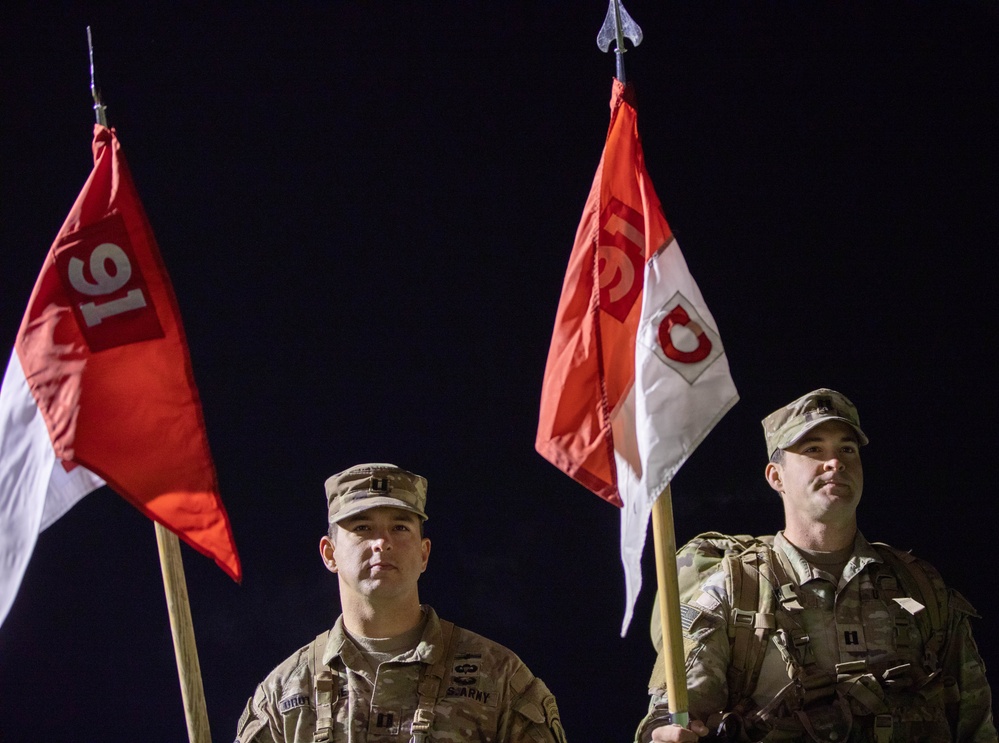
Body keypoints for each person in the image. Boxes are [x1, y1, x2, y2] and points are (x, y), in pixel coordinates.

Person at [636, 389, 997, 742]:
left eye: (847, 450)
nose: (835, 462)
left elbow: (975, 723)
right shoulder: (736, 590)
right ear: (776, 477)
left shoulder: (919, 586)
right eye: (813, 449)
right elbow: (676, 716)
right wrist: (665, 734)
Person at [236, 462, 567, 743]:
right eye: (363, 528)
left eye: (399, 527)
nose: (383, 542)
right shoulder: (286, 694)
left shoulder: (499, 678)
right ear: (329, 553)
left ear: (424, 554)